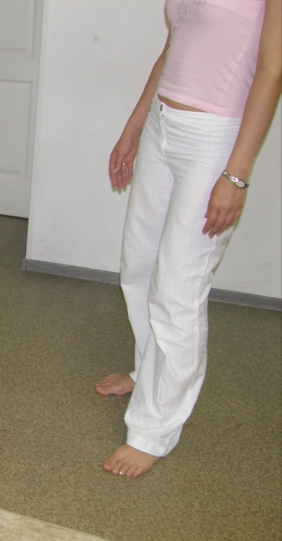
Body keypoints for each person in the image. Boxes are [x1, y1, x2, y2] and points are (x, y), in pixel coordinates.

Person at [97, 0, 281, 476]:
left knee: (178, 289)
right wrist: (135, 126)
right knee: (139, 266)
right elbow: (173, 46)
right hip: (162, 124)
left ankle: (154, 430)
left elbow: (272, 70)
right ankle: (148, 374)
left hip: (214, 139)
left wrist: (236, 175)